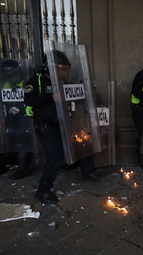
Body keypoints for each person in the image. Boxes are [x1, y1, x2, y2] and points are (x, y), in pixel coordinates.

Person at [24, 50, 99, 204]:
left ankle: (87, 171)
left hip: (66, 122)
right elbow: (29, 100)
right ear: (50, 67)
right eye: (61, 69)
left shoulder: (65, 83)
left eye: (66, 69)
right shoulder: (37, 80)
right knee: (55, 158)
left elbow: (76, 97)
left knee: (85, 142)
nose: (64, 72)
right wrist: (51, 97)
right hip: (47, 126)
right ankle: (43, 190)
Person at [0, 59, 32, 180]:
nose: (13, 78)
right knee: (13, 142)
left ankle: (24, 169)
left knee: (22, 144)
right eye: (9, 76)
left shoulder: (26, 83)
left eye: (14, 75)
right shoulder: (7, 85)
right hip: (12, 119)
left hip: (25, 118)